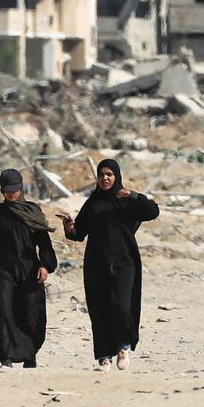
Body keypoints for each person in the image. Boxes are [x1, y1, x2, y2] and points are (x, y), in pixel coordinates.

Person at [58, 159, 159, 372]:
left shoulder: (127, 200)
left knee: (121, 305)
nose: (105, 178)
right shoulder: (93, 203)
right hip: (97, 263)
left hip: (125, 261)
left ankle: (123, 347)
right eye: (101, 174)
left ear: (117, 176)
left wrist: (134, 196)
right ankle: (104, 356)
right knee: (99, 307)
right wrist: (69, 228)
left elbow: (152, 211)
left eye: (109, 174)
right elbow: (79, 234)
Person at [0, 168, 57, 369]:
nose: (11, 193)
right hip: (2, 270)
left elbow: (44, 242)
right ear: (2, 190)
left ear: (21, 187)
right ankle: (6, 357)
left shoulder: (33, 211)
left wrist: (45, 266)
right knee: (3, 311)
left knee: (30, 312)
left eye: (15, 189)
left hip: (29, 271)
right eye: (7, 189)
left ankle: (30, 355)